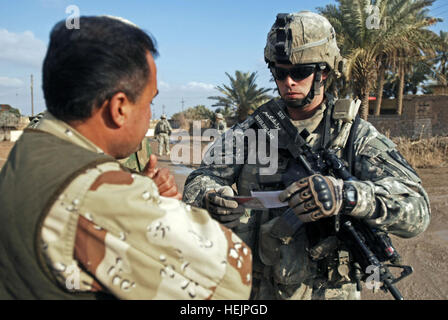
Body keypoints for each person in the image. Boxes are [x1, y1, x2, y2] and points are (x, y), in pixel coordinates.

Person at [0, 16, 252, 300]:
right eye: (149, 101)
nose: (149, 114)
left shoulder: (34, 148)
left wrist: (136, 194)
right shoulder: (100, 194)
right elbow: (232, 278)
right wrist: (150, 206)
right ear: (119, 108)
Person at [183, 11, 430, 300]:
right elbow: (200, 179)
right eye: (279, 72)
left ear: (324, 71)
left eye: (299, 72)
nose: (288, 81)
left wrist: (346, 195)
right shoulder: (254, 129)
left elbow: (418, 209)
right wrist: (211, 196)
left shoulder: (354, 136)